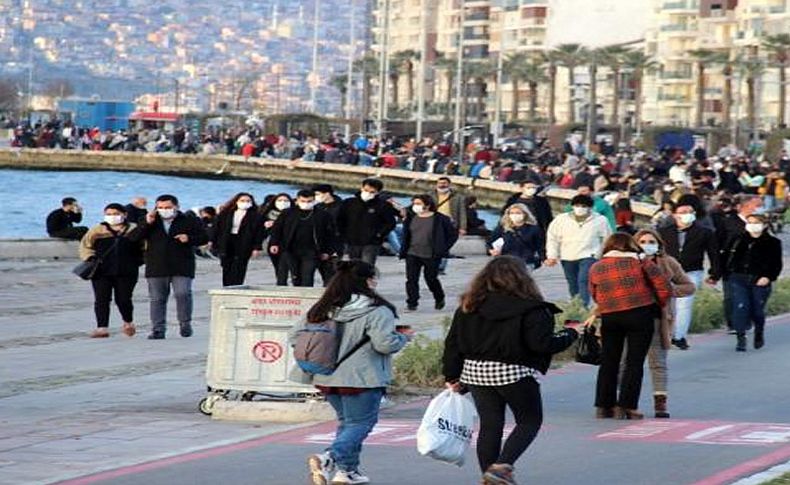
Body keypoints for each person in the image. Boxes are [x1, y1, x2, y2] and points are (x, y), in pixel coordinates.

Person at [442, 256, 581, 484]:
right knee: (529, 421)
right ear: (523, 278)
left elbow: (453, 343)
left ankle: (489, 475)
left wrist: (451, 375)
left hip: (475, 373)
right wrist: (571, 334)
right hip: (514, 373)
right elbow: (542, 344)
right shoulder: (533, 309)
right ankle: (500, 468)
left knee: (490, 424)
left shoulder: (468, 306)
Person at [301, 261, 411, 485]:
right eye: (373, 277)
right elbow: (384, 344)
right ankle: (329, 457)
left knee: (347, 423)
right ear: (366, 281)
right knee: (362, 423)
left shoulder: (324, 307)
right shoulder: (377, 310)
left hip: (326, 375)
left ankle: (347, 471)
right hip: (363, 377)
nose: (375, 282)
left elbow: (296, 337)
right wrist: (403, 338)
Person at [589, 233, 672, 420]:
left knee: (609, 361)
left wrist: (608, 303)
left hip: (610, 316)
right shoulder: (642, 263)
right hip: (640, 314)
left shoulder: (597, 266)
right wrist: (656, 303)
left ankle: (603, 406)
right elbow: (664, 287)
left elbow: (594, 292)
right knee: (634, 363)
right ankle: (626, 406)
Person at [632, 229, 696, 418]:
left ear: (659, 244)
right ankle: (625, 401)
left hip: (658, 319)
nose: (647, 244)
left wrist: (668, 290)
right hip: (632, 318)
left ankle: (660, 403)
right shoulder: (629, 263)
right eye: (642, 241)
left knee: (658, 362)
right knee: (627, 362)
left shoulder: (669, 263)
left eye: (652, 241)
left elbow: (689, 286)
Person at [128, 194, 208, 339]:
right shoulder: (150, 220)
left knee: (183, 293)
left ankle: (185, 323)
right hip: (156, 266)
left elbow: (204, 237)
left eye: (168, 207)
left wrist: (189, 238)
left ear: (176, 207)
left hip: (182, 265)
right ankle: (158, 329)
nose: (164, 210)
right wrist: (146, 223)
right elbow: (133, 238)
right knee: (157, 298)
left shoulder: (189, 220)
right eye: (160, 207)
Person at [658, 202, 720, 350]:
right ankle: (666, 334)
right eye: (683, 211)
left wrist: (715, 273)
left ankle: (679, 336)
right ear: (674, 215)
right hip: (667, 273)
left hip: (692, 272)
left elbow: (713, 253)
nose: (687, 214)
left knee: (684, 304)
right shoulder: (664, 232)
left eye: (690, 211)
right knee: (667, 305)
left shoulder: (705, 232)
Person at [78, 203, 143, 338]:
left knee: (124, 299)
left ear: (124, 214)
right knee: (101, 299)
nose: (112, 217)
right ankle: (102, 328)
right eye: (109, 214)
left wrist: (139, 261)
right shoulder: (97, 230)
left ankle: (128, 322)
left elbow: (145, 246)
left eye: (115, 214)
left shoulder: (134, 229)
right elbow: (85, 245)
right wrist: (90, 258)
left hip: (127, 271)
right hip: (101, 271)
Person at [723, 214, 782, 351]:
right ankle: (740, 336)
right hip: (738, 278)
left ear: (764, 225)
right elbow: (726, 257)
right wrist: (724, 273)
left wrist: (768, 277)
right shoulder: (738, 240)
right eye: (749, 222)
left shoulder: (773, 243)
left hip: (760, 280)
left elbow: (776, 264)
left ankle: (759, 332)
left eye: (756, 223)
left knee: (757, 310)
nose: (752, 225)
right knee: (740, 307)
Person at [545, 194, 612, 307]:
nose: (580, 208)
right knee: (572, 283)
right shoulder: (561, 219)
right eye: (577, 205)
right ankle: (575, 306)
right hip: (567, 255)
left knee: (583, 280)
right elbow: (552, 238)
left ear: (590, 207)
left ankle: (583, 307)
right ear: (572, 206)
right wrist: (552, 255)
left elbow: (608, 238)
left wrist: (603, 255)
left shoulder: (600, 220)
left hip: (590, 255)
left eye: (583, 206)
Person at [399, 194, 458, 312]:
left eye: (418, 204)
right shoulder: (411, 217)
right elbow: (407, 234)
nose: (415, 206)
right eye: (414, 203)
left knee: (431, 278)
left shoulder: (440, 219)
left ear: (427, 205)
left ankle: (439, 297)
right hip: (412, 253)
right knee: (411, 279)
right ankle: (412, 302)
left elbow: (452, 234)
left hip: (431, 254)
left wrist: (443, 248)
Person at [269, 190, 335, 287]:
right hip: (291, 249)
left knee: (308, 276)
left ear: (314, 201)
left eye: (309, 201)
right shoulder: (288, 213)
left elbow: (329, 234)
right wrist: (274, 243)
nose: (306, 204)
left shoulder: (322, 215)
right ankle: (297, 296)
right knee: (295, 276)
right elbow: (277, 229)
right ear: (298, 200)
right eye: (303, 201)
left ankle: (306, 296)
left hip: (312, 251)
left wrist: (327, 251)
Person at [336, 178, 397, 266]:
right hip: (351, 241)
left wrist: (379, 234)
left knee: (367, 267)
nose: (368, 193)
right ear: (361, 188)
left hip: (371, 243)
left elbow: (390, 223)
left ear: (377, 192)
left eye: (372, 192)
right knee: (353, 267)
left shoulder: (383, 205)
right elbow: (340, 219)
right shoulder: (349, 203)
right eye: (366, 190)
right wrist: (342, 234)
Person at [212, 193, 264, 286]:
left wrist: (256, 248)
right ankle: (227, 285)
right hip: (228, 241)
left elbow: (259, 233)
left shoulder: (256, 216)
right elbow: (216, 228)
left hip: (244, 242)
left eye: (248, 201)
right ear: (236, 202)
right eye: (242, 201)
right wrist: (212, 241)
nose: (245, 203)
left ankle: (237, 284)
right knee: (226, 265)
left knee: (240, 265)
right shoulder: (226, 213)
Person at [488, 204, 544, 270]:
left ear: (525, 214)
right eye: (512, 213)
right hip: (505, 261)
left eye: (518, 213)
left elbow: (540, 246)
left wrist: (543, 258)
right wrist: (491, 250)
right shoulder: (502, 228)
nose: (515, 215)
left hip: (526, 261)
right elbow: (490, 242)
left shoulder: (534, 229)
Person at [314, 184, 344, 285]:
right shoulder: (318, 206)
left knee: (332, 269)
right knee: (323, 269)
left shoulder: (341, 206)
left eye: (318, 194)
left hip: (336, 242)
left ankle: (331, 290)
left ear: (327, 194)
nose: (316, 197)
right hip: (320, 242)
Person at [260, 193, 293, 280]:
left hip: (291, 244)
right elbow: (259, 230)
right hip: (273, 243)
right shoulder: (267, 214)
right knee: (278, 266)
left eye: (286, 201)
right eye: (280, 200)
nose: (283, 202)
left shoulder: (294, 213)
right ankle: (281, 282)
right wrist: (265, 226)